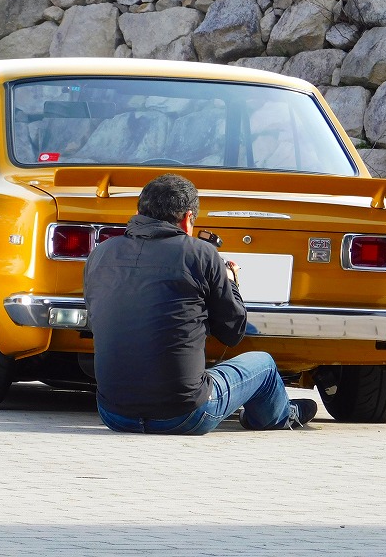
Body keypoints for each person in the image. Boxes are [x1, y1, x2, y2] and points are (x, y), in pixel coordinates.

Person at [84, 173, 317, 435]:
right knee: (263, 363)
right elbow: (233, 332)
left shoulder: (100, 253)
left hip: (114, 415)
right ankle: (281, 414)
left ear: (139, 211)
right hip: (185, 416)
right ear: (187, 218)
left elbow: (99, 324)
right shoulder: (202, 253)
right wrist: (231, 282)